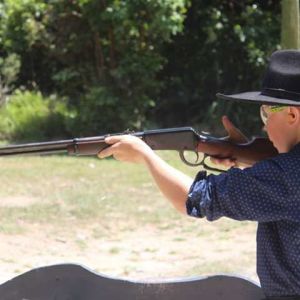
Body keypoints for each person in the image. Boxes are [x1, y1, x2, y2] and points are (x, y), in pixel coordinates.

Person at [98, 50, 300, 300]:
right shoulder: (284, 175)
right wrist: (243, 155)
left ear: (292, 115)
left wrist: (145, 156)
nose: (264, 124)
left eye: (267, 113)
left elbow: (193, 199)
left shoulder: (285, 177)